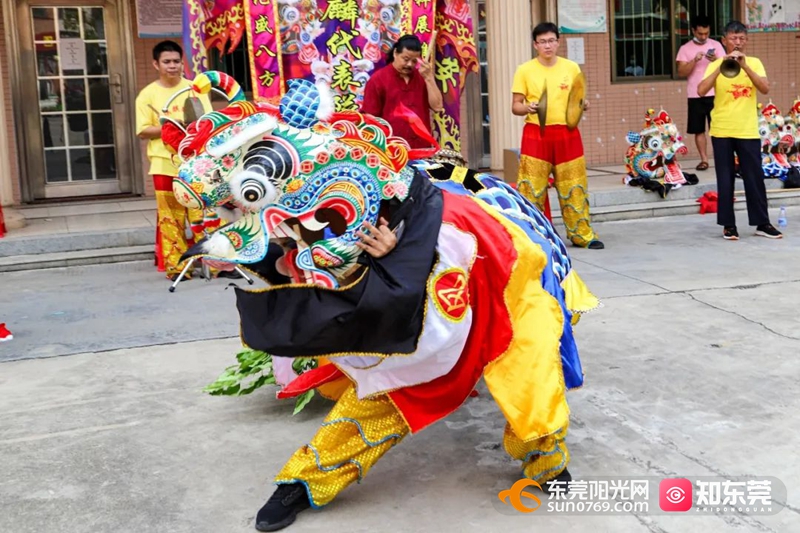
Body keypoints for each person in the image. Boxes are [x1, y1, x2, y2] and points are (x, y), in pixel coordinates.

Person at [511, 22, 604, 250]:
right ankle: (530, 236)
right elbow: (515, 106)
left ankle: (581, 234)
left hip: (567, 133)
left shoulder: (571, 68)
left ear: (558, 42)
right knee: (531, 188)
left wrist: (584, 105)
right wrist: (529, 107)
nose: (548, 45)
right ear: (535, 45)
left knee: (574, 185)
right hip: (536, 134)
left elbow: (577, 100)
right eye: (542, 41)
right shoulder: (525, 70)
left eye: (551, 40)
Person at [697, 20, 783, 240]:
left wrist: (744, 66)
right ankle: (728, 225)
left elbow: (764, 88)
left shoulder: (754, 62)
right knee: (725, 179)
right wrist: (720, 66)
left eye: (742, 38)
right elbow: (701, 90)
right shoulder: (714, 64)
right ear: (724, 41)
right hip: (722, 129)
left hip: (747, 130)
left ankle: (762, 223)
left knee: (754, 178)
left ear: (747, 40)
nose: (738, 42)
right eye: (733, 38)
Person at [135, 41, 211, 281]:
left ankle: (213, 262)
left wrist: (191, 126)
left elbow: (209, 120)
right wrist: (171, 127)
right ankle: (177, 267)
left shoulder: (194, 89)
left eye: (176, 61)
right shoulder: (147, 94)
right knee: (171, 218)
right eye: (166, 62)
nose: (172, 66)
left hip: (196, 164)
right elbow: (143, 130)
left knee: (202, 214)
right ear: (156, 64)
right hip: (163, 164)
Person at [361, 34, 444, 149]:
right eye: (406, 59)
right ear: (395, 53)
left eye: (414, 61)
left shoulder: (422, 77)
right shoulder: (378, 79)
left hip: (421, 147)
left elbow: (438, 106)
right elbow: (369, 118)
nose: (409, 64)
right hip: (391, 149)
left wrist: (429, 77)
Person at [676, 15, 725, 171]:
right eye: (700, 34)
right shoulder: (685, 49)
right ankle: (704, 159)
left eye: (706, 33)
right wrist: (694, 61)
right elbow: (681, 72)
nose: (703, 37)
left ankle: (721, 158)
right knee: (699, 129)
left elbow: (727, 68)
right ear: (693, 31)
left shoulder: (716, 45)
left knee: (719, 129)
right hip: (695, 94)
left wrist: (716, 59)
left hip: (716, 93)